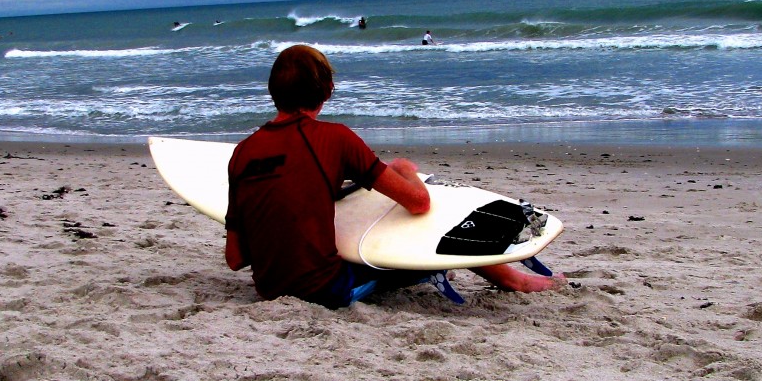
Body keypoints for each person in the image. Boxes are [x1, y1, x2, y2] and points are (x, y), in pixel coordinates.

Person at [225, 44, 561, 309]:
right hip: (327, 290)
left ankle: (511, 277)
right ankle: (515, 281)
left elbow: (235, 258)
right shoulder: (336, 138)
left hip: (268, 290)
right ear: (328, 90)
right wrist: (403, 170)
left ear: (273, 91)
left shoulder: (242, 152)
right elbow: (417, 202)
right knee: (426, 226)